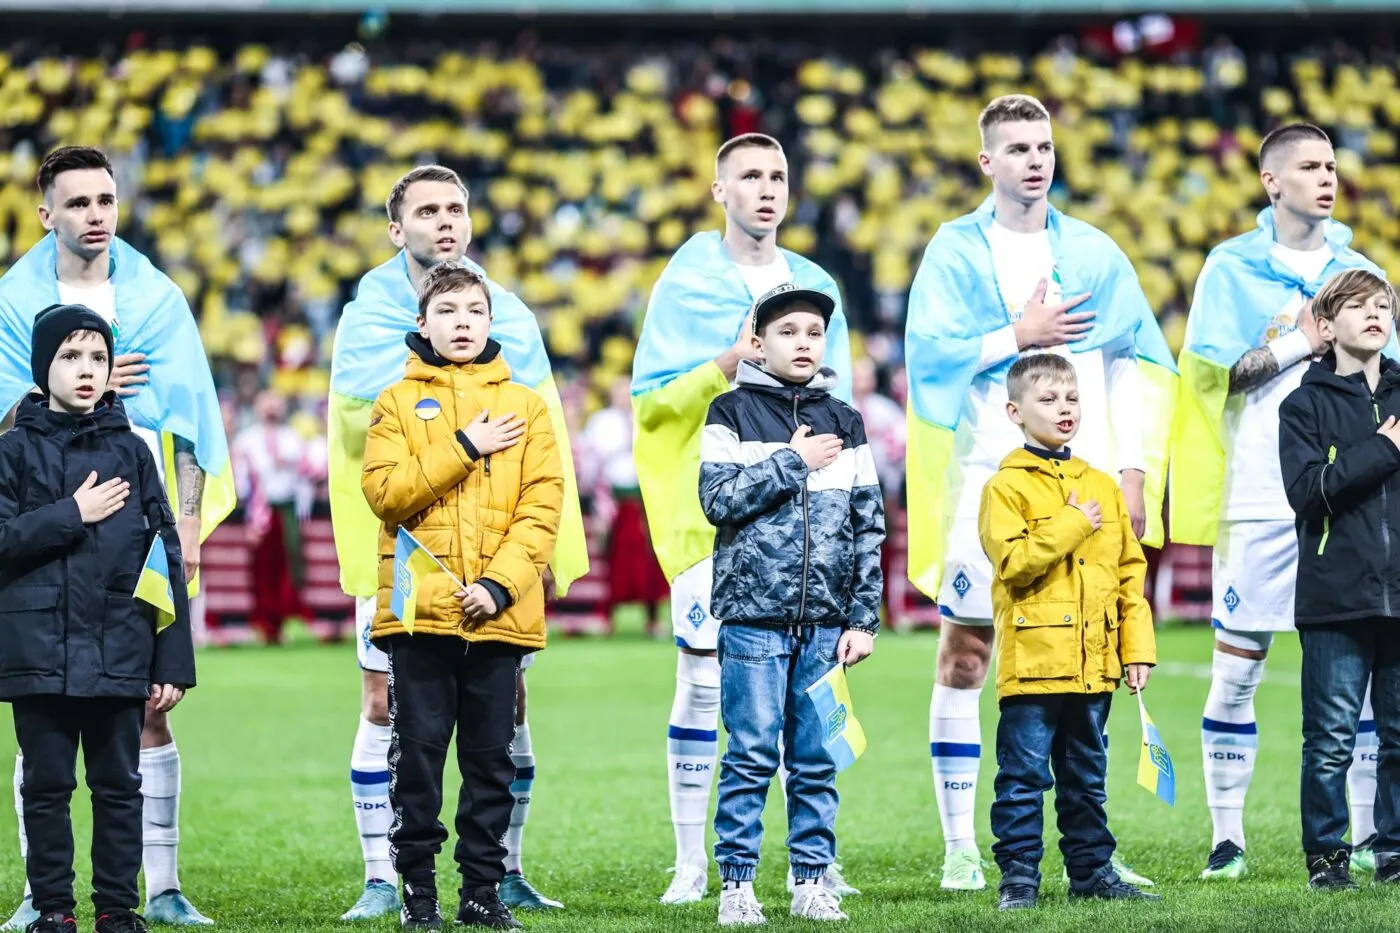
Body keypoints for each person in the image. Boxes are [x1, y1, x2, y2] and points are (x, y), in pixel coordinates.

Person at [903, 95, 1175, 890]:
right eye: (1017, 147)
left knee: (1090, 659)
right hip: (987, 481)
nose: (1035, 159)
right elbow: (928, 360)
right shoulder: (954, 251)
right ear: (986, 161)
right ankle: (961, 844)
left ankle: (1091, 848)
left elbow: (1136, 360)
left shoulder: (1093, 251)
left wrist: (1132, 468)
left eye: (1044, 145)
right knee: (967, 650)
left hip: (1087, 487)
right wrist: (1014, 337)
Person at [328, 166, 586, 918]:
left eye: (457, 208)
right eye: (428, 210)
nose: (446, 221)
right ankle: (387, 878)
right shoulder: (367, 318)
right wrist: (450, 427)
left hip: (500, 557)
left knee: (506, 714)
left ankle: (503, 871)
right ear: (395, 227)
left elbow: (544, 449)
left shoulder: (509, 313)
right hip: (405, 558)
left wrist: (521, 566)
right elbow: (356, 427)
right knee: (385, 705)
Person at [0, 146, 232, 929]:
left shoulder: (157, 299)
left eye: (106, 200)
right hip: (47, 550)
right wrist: (57, 378)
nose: (96, 214)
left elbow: (191, 416)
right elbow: (4, 418)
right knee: (47, 727)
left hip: (139, 528)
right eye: (79, 203)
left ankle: (157, 888)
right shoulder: (12, 301)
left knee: (147, 715)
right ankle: (45, 896)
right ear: (48, 214)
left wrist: (190, 521)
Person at [632, 133, 855, 904]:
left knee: (807, 696)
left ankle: (812, 862)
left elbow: (841, 407)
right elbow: (652, 401)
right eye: (750, 176)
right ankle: (694, 860)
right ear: (719, 190)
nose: (766, 188)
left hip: (808, 528)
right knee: (701, 679)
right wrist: (728, 362)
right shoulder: (685, 281)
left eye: (778, 176)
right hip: (716, 512)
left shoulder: (816, 282)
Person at [1171, 123, 1388, 880]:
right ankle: (1227, 836)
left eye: (1331, 164)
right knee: (1239, 663)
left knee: (1359, 670)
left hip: (1352, 494)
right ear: (1272, 182)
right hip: (1260, 491)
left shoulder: (1361, 269)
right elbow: (1213, 378)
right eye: (1308, 166)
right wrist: (1301, 341)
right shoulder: (1229, 268)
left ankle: (1365, 837)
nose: (1326, 176)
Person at [361, 262, 564, 930]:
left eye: (474, 311)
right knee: (416, 757)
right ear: (422, 324)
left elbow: (542, 508)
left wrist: (498, 585)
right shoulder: (394, 402)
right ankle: (418, 892)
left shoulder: (528, 406)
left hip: (498, 614)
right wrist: (464, 445)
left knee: (490, 762)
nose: (462, 323)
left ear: (490, 321)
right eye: (447, 312)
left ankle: (483, 890)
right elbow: (385, 493)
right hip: (419, 616)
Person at [0, 305, 195, 933]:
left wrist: (171, 660)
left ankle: (118, 908)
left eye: (98, 358)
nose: (87, 371)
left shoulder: (134, 452)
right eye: (70, 357)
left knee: (119, 788)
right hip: (38, 653)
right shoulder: (12, 451)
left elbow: (164, 557)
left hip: (120, 648)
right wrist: (70, 513)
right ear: (43, 366)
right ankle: (52, 909)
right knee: (47, 788)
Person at [699, 285, 883, 926]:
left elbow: (868, 527)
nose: (803, 342)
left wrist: (863, 618)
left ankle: (811, 881)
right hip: (752, 620)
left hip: (827, 624)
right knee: (750, 753)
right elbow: (717, 501)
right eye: (788, 331)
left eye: (813, 331)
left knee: (815, 760)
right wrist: (792, 460)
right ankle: (737, 886)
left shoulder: (847, 420)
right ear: (759, 342)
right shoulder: (729, 413)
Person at [981, 353, 1159, 911]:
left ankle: (1092, 872)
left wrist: (1137, 649)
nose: (1065, 408)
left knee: (1087, 777)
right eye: (1049, 399)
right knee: (1022, 779)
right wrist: (1074, 522)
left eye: (1072, 398)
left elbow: (1129, 575)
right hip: (1032, 666)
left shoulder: (1102, 484)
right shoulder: (1004, 487)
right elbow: (1014, 563)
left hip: (1094, 664)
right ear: (1015, 411)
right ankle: (1019, 880)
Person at [1278, 269, 1400, 890]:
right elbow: (1307, 495)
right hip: (1334, 598)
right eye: (1358, 306)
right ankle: (1327, 860)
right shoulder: (1303, 405)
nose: (1375, 313)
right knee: (1329, 743)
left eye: (1383, 305)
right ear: (1326, 328)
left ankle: (1395, 855)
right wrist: (1385, 447)